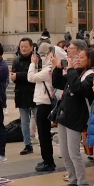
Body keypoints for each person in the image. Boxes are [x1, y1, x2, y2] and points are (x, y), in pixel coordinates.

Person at [53, 47, 94, 186]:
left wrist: (71, 69)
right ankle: (73, 180)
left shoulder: (91, 76)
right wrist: (57, 69)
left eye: (81, 57)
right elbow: (58, 83)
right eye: (77, 57)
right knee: (64, 152)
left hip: (76, 118)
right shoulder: (76, 73)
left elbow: (79, 89)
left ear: (89, 60)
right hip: (64, 116)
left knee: (74, 153)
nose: (78, 60)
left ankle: (83, 184)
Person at [29, 43, 60, 172]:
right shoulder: (48, 68)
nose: (45, 56)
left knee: (44, 134)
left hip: (44, 104)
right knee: (42, 134)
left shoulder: (49, 70)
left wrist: (32, 63)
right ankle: (46, 159)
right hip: (42, 102)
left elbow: (31, 77)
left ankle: (48, 161)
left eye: (47, 54)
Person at [11, 38, 37, 155]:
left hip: (34, 94)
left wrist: (18, 76)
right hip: (21, 94)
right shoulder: (16, 60)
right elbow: (13, 77)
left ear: (31, 47)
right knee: (24, 122)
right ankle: (27, 145)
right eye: (21, 46)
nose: (23, 48)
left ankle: (44, 142)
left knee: (39, 120)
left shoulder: (36, 59)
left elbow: (34, 76)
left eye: (26, 46)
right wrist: (19, 76)